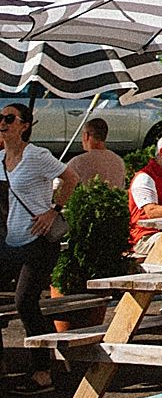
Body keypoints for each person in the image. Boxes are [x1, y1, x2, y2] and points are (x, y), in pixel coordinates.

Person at [0, 102, 76, 340]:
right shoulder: (0, 158)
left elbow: (71, 179)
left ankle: (42, 358)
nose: (2, 123)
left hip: (38, 240)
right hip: (8, 241)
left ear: (24, 126)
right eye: (0, 117)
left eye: (9, 119)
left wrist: (53, 211)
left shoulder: (36, 155)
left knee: (25, 302)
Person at [66, 115, 127, 191]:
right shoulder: (119, 161)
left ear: (86, 136)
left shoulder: (78, 162)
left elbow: (61, 185)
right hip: (114, 198)